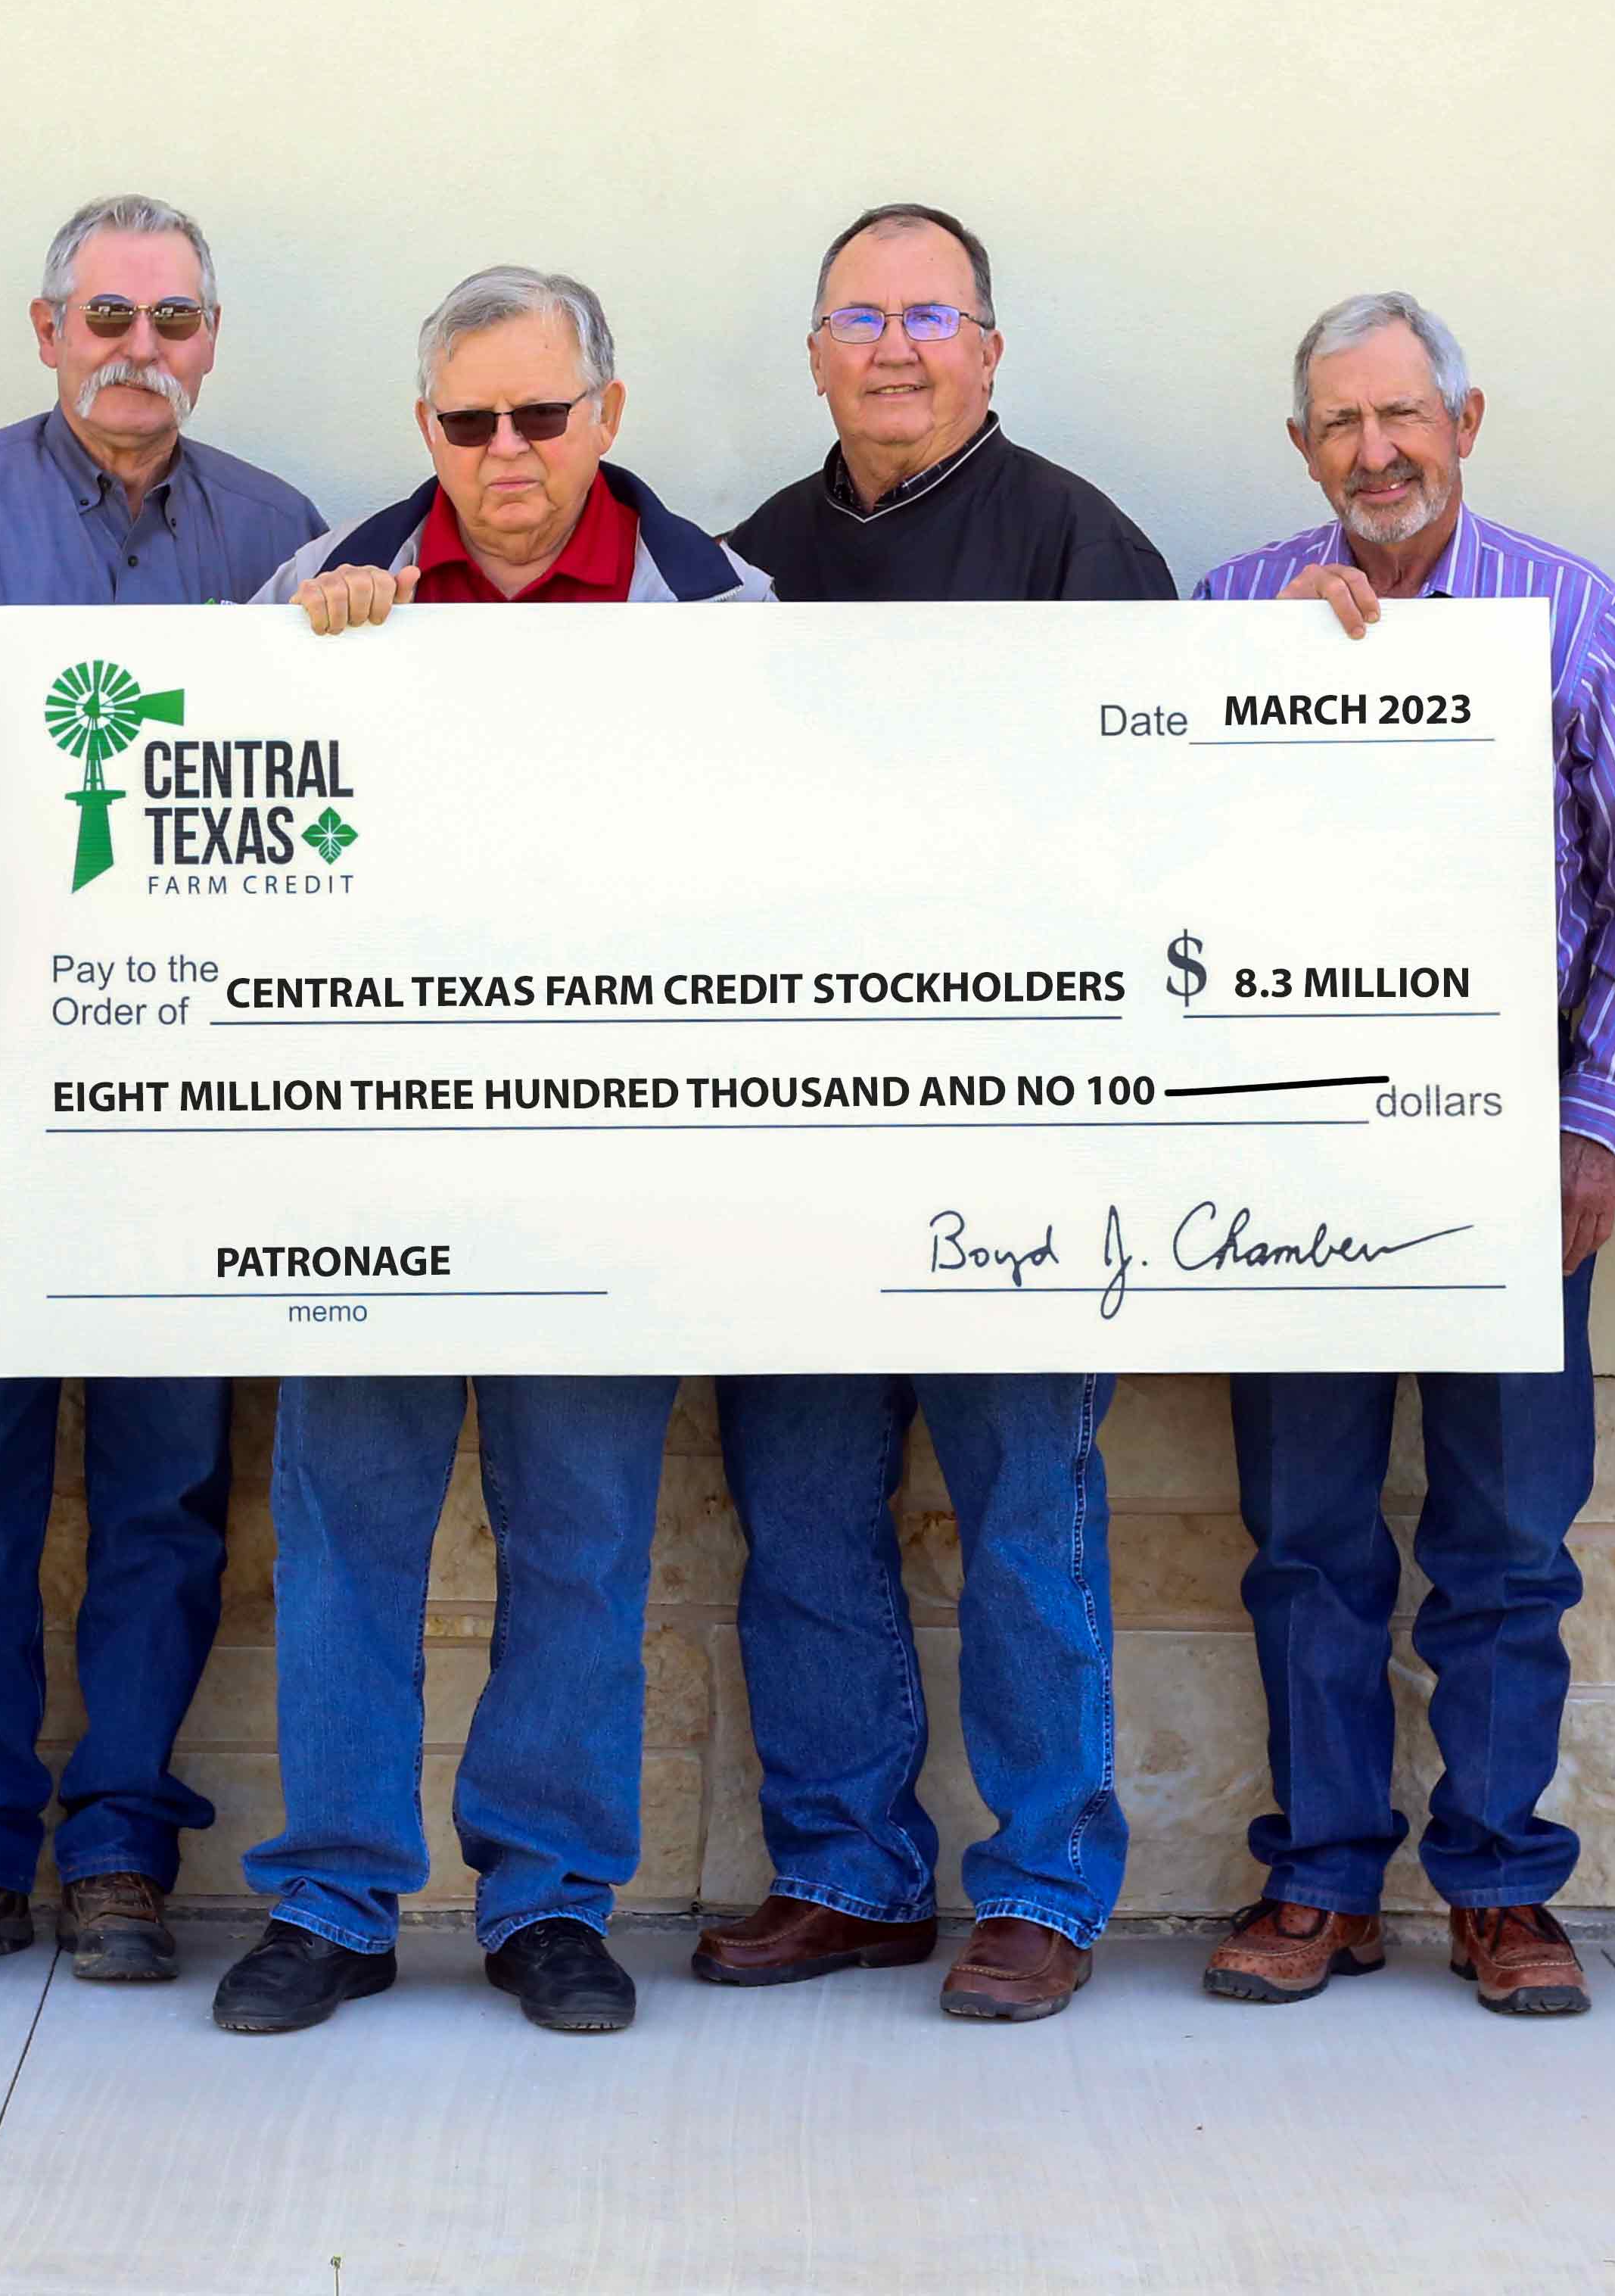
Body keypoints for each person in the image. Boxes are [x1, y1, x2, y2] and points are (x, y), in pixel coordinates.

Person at [210, 267, 774, 2039]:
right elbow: (209, 842)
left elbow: (779, 881)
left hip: (610, 1166)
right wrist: (287, 679)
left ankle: (546, 1904)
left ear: (609, 412)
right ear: (426, 432)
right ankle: (333, 1901)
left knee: (584, 1542)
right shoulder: (308, 597)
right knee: (345, 1535)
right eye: (472, 423)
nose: (509, 451)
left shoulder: (722, 612)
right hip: (363, 1162)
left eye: (543, 415)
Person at [693, 204, 1173, 2023]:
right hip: (795, 1141)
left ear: (988, 348)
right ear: (813, 352)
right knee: (802, 1510)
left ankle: (1044, 1886)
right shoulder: (740, 566)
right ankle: (848, 1871)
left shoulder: (1079, 541)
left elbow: (1160, 827)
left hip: (1019, 1137)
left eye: (930, 314)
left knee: (1023, 1515)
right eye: (858, 315)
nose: (894, 346)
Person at [0, 195, 325, 1984]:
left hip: (196, 1046)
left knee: (166, 1470)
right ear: (45, 328)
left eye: (177, 319)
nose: (143, 349)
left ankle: (120, 1841)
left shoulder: (282, 534)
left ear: (212, 339)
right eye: (108, 314)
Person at [1192, 292, 1615, 2014]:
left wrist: (1591, 1122)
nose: (1375, 453)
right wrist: (1270, 685)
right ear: (1301, 448)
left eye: (1403, 417)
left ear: (1464, 422)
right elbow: (1158, 857)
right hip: (1289, 1155)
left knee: (1502, 1544)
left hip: (1508, 1152)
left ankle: (1495, 1881)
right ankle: (1322, 1878)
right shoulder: (1230, 610)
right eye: (1340, 425)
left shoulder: (1569, 610)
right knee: (1307, 1535)